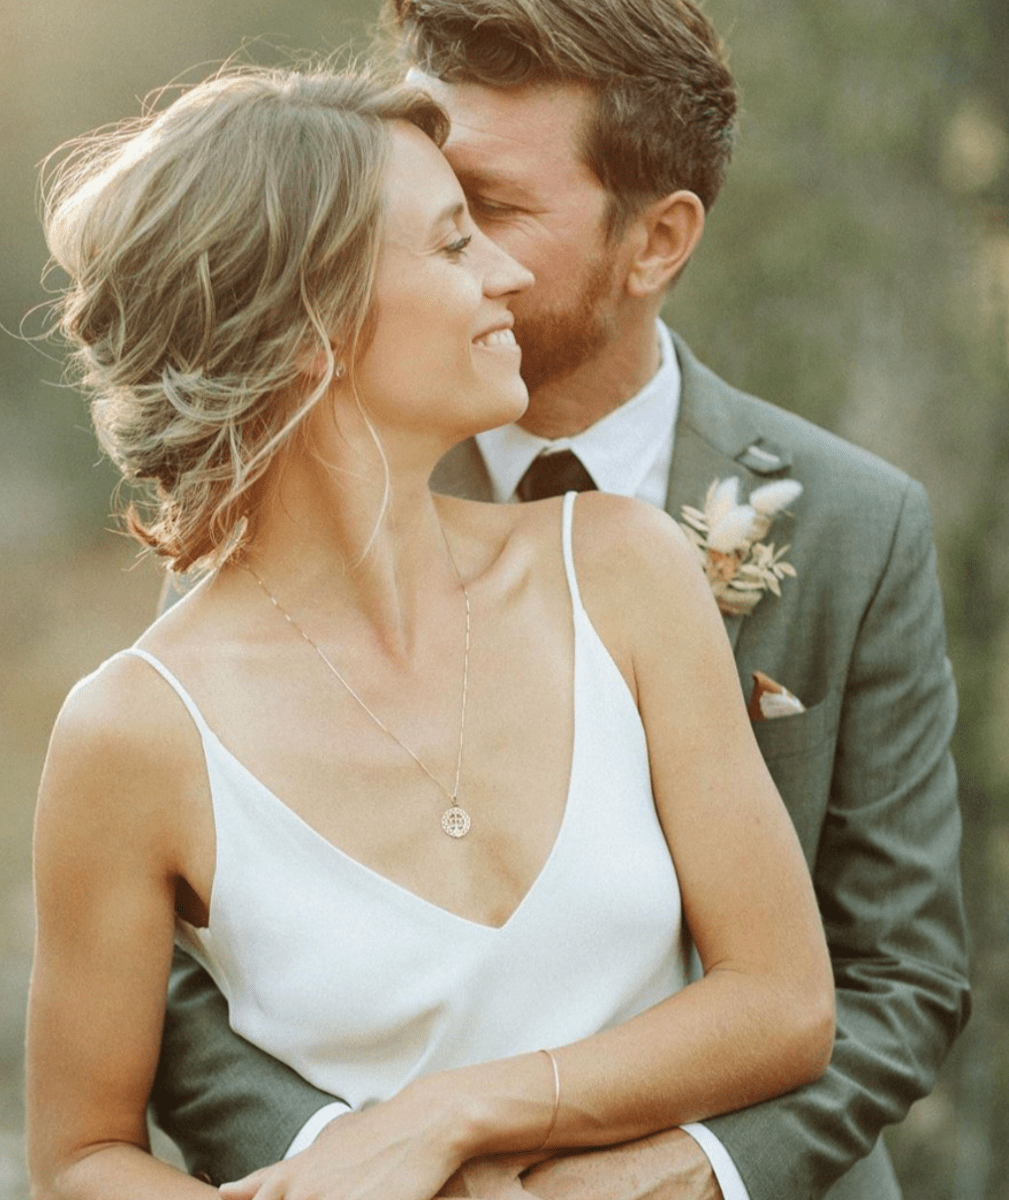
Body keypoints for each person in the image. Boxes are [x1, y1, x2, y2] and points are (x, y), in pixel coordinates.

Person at [148, 3, 971, 1199]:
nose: (460, 250)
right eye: (429, 210)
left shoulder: (855, 527)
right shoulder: (272, 523)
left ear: (656, 243)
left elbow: (901, 974)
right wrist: (362, 1165)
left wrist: (695, 1169)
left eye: (491, 209)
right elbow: (165, 964)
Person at [26, 65, 836, 1200]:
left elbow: (785, 1001)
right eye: (456, 245)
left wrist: (448, 1118)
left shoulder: (622, 569)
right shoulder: (132, 734)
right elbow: (80, 1158)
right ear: (313, 328)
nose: (508, 272)